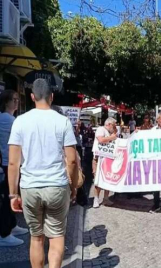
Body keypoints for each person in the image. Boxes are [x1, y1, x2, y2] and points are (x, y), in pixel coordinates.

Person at [8, 79, 78, 268]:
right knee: (56, 237)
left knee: (36, 238)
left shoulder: (20, 122)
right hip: (56, 185)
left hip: (30, 187)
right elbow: (72, 160)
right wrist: (73, 187)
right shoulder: (63, 121)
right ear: (52, 96)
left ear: (32, 97)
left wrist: (13, 194)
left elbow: (14, 162)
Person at [0, 90, 28, 247]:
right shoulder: (8, 119)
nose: (17, 102)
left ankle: (11, 226)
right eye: (14, 100)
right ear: (6, 102)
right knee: (9, 198)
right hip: (8, 163)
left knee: (11, 197)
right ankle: (4, 234)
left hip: (9, 162)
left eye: (18, 99)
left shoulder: (10, 119)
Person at [92, 117, 117, 208]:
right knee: (97, 180)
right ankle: (96, 199)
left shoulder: (110, 132)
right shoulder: (101, 129)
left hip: (108, 159)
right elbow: (101, 140)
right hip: (99, 158)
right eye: (113, 125)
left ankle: (106, 198)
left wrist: (114, 133)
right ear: (109, 124)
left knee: (108, 179)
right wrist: (111, 137)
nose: (114, 127)